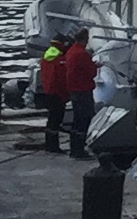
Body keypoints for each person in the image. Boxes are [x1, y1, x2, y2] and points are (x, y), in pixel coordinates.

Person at [61, 28, 99, 160]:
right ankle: (79, 149)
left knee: (77, 120)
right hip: (83, 89)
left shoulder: (71, 51)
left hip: (73, 89)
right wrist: (95, 66)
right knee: (85, 119)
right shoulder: (82, 54)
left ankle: (74, 148)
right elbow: (91, 73)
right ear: (85, 39)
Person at [37, 29, 69, 155]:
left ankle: (49, 143)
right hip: (57, 93)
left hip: (48, 91)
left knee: (51, 119)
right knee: (56, 120)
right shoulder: (60, 59)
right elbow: (61, 79)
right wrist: (65, 95)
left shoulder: (47, 55)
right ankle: (53, 146)